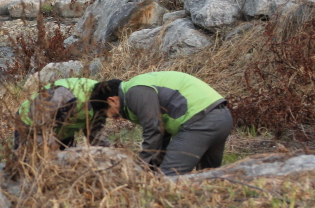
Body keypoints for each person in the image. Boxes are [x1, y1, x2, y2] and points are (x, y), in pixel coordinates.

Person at [89, 71, 233, 176]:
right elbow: (162, 134)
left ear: (112, 100)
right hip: (222, 117)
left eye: (109, 114)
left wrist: (139, 169)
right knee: (209, 178)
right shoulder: (140, 85)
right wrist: (153, 166)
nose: (115, 118)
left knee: (169, 178)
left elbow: (154, 129)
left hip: (201, 123)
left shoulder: (135, 91)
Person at [15, 78, 107, 150]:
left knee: (68, 163)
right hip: (30, 122)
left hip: (61, 128)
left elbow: (95, 136)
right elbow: (38, 126)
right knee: (26, 165)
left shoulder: (98, 101)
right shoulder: (66, 97)